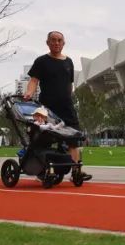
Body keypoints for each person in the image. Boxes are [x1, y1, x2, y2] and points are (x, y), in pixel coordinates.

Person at [23, 31, 92, 181]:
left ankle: (76, 172)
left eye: (59, 40)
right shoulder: (41, 61)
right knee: (45, 139)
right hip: (47, 108)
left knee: (73, 138)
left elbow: (69, 84)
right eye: (53, 40)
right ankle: (43, 170)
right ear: (47, 42)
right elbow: (34, 80)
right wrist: (29, 93)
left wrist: (69, 97)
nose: (56, 43)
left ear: (63, 43)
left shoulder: (69, 62)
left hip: (67, 107)